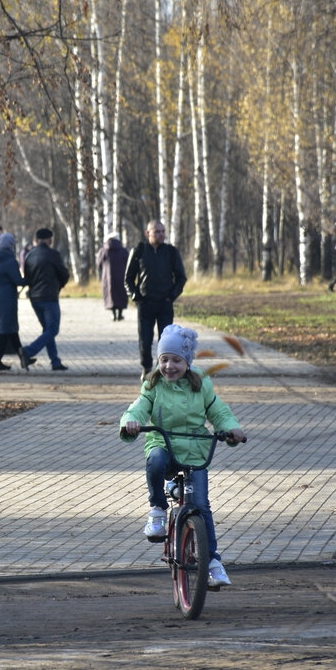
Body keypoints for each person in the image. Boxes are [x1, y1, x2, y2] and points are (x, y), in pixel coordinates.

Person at [119, 324, 247, 588]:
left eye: (176, 360)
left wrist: (232, 429)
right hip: (163, 444)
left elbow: (219, 413)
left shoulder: (202, 385)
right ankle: (157, 509)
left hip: (195, 450)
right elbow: (139, 408)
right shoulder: (153, 384)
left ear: (188, 362)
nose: (169, 366)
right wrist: (131, 421)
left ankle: (212, 563)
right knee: (155, 461)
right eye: (164, 359)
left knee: (201, 505)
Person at [124, 220, 187, 379]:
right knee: (145, 340)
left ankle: (162, 369)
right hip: (146, 304)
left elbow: (181, 277)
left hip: (165, 303)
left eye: (163, 231)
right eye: (157, 231)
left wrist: (171, 296)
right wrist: (135, 296)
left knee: (166, 341)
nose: (161, 234)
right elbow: (128, 278)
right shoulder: (139, 250)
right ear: (148, 233)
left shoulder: (171, 252)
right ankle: (146, 367)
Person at [21, 227, 70, 372]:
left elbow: (27, 277)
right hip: (49, 297)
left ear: (36, 240)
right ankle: (28, 351)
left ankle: (55, 361)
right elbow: (64, 274)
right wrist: (59, 285)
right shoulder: (53, 255)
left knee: (47, 330)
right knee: (52, 330)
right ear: (49, 240)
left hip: (35, 298)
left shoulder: (29, 256)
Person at [0, 232, 31, 371]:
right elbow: (18, 280)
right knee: (5, 330)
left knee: (9, 329)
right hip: (5, 298)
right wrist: (31, 277)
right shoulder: (9, 260)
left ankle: (24, 358)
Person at [96, 232, 129, 321]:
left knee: (110, 294)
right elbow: (128, 263)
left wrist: (101, 271)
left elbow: (98, 264)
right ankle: (120, 314)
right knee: (121, 293)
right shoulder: (123, 251)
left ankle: (113, 314)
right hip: (122, 276)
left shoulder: (103, 251)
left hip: (107, 277)